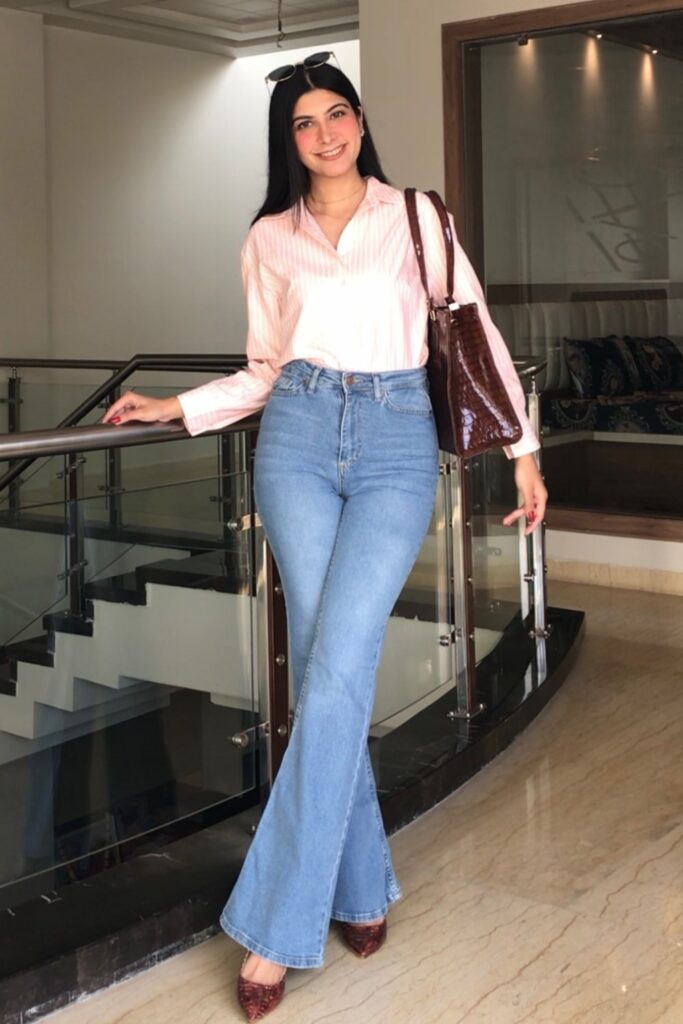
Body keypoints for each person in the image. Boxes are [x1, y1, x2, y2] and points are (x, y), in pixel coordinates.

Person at [103, 52, 547, 1022]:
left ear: (357, 122)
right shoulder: (267, 238)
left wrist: (520, 447)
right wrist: (178, 406)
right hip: (296, 438)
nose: (324, 134)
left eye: (335, 113)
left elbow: (472, 327)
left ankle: (271, 923)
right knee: (324, 662)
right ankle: (357, 885)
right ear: (287, 142)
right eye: (303, 123)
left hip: (394, 442)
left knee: (338, 665)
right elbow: (265, 366)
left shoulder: (418, 218)